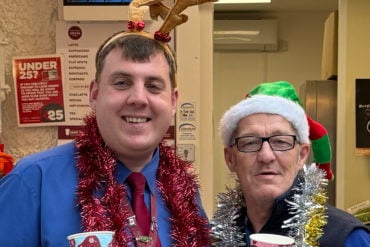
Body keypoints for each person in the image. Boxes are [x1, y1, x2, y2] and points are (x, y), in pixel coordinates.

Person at [0, 3, 212, 246]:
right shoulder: (32, 182)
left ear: (173, 101)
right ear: (94, 94)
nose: (138, 99)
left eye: (153, 86)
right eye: (122, 83)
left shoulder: (184, 192)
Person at [211, 81, 370, 247]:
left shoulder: (345, 238)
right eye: (250, 142)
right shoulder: (215, 237)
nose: (266, 156)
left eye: (280, 142)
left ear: (301, 156)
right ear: (230, 159)